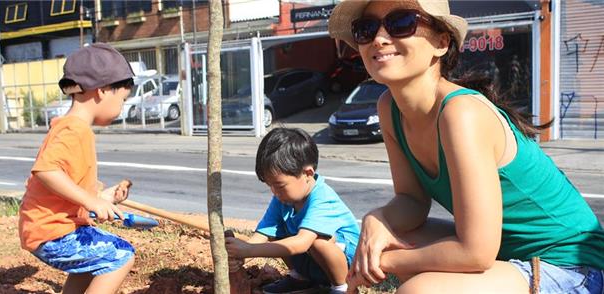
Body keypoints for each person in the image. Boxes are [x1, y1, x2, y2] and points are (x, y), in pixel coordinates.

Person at [328, 0, 604, 293]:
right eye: (366, 29)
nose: (380, 38)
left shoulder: (461, 113)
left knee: (420, 290)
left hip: (572, 266)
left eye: (401, 23)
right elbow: (411, 200)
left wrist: (387, 262)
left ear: (442, 42)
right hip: (506, 254)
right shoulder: (389, 108)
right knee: (392, 234)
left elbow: (476, 252)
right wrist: (377, 218)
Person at [18, 43, 137, 294]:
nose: (121, 108)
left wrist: (103, 198)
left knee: (90, 264)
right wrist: (91, 203)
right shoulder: (74, 129)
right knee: (121, 255)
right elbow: (46, 170)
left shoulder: (70, 127)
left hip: (51, 229)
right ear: (103, 90)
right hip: (53, 232)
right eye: (122, 100)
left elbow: (68, 187)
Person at [225, 128, 360, 294]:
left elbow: (302, 243)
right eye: (270, 186)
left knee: (318, 240)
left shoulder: (322, 198)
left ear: (307, 174)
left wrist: (249, 250)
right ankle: (301, 278)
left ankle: (342, 287)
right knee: (278, 231)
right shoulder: (283, 199)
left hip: (348, 263)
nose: (274, 192)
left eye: (279, 185)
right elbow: (264, 233)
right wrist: (242, 252)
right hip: (314, 262)